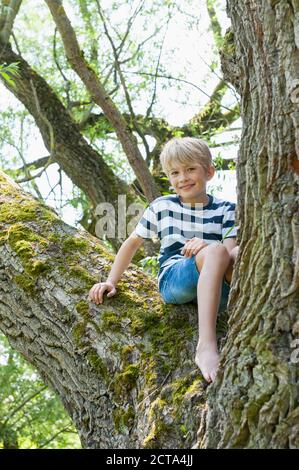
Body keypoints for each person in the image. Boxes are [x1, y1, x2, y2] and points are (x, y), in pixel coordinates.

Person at [89, 137, 239, 383]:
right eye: (175, 173)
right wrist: (110, 281)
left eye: (190, 169)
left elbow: (230, 251)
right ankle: (206, 345)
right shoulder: (162, 206)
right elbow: (132, 244)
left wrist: (208, 247)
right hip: (175, 278)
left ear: (209, 172)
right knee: (216, 252)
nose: (183, 178)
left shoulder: (226, 209)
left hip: (219, 286)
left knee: (237, 253)